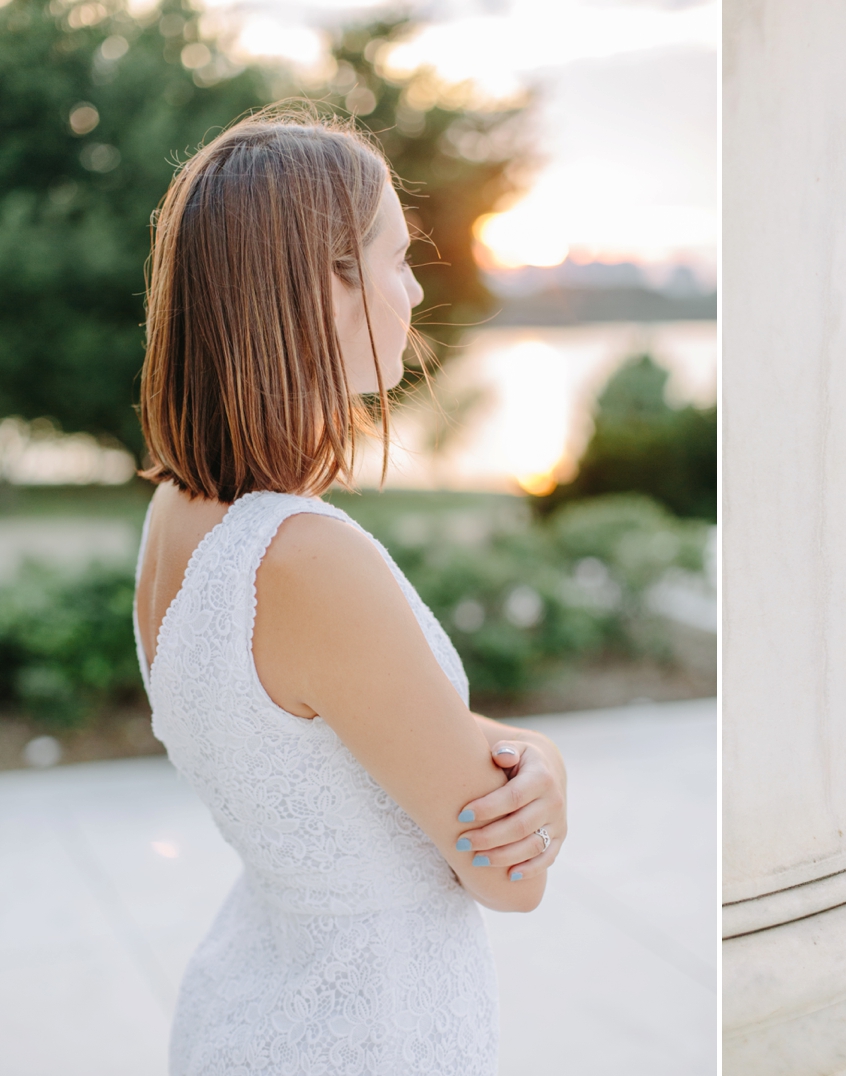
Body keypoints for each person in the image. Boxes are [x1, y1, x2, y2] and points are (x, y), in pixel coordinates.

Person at [131, 104, 567, 1075]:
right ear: (323, 282)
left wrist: (516, 752)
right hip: (371, 1027)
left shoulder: (178, 513)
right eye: (396, 256)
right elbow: (511, 878)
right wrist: (544, 764)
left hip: (252, 999)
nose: (414, 289)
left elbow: (328, 741)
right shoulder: (305, 556)